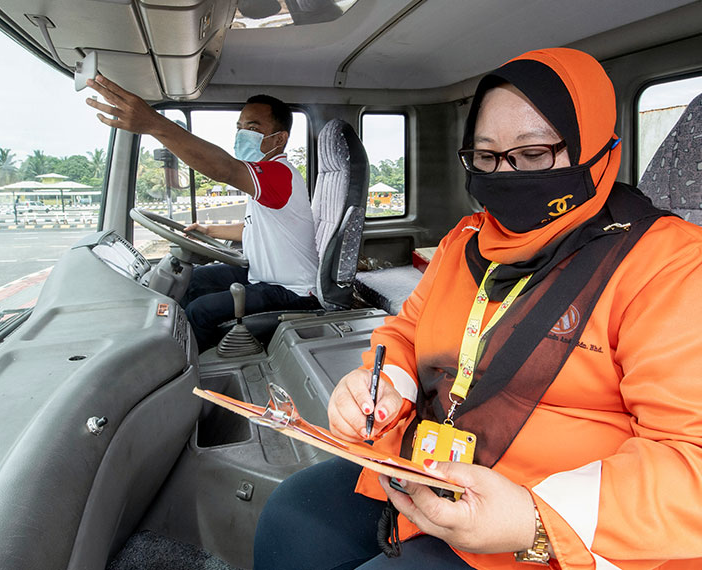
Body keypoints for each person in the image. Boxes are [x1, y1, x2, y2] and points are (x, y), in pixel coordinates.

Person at [253, 47, 702, 569]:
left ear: (597, 149)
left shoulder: (669, 264)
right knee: (290, 517)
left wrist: (532, 518)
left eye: (532, 154)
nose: (505, 173)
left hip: (550, 526)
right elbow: (405, 333)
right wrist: (380, 387)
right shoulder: (464, 242)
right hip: (429, 464)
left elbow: (690, 459)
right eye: (485, 157)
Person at [85, 79, 320, 350]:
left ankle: (196, 371)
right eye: (240, 127)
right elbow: (253, 229)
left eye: (253, 128)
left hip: (294, 292)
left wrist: (154, 124)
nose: (242, 134)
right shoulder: (264, 176)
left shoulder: (279, 173)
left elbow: (225, 169)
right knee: (192, 282)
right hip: (262, 276)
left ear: (279, 139)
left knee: (200, 311)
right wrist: (209, 232)